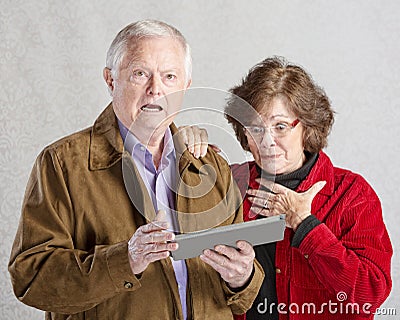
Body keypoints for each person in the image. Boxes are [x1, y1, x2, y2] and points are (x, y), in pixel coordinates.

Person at [8, 20, 264, 319]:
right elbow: (31, 279)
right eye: (140, 74)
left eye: (169, 77)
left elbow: (240, 297)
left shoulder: (212, 166)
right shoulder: (62, 164)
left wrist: (242, 277)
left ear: (185, 87)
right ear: (110, 80)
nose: (156, 90)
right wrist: (126, 259)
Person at [182, 56, 392, 319]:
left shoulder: (352, 195)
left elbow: (369, 295)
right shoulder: (230, 181)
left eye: (280, 126)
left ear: (307, 126)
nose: (267, 142)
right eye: (256, 128)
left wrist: (306, 226)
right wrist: (184, 146)